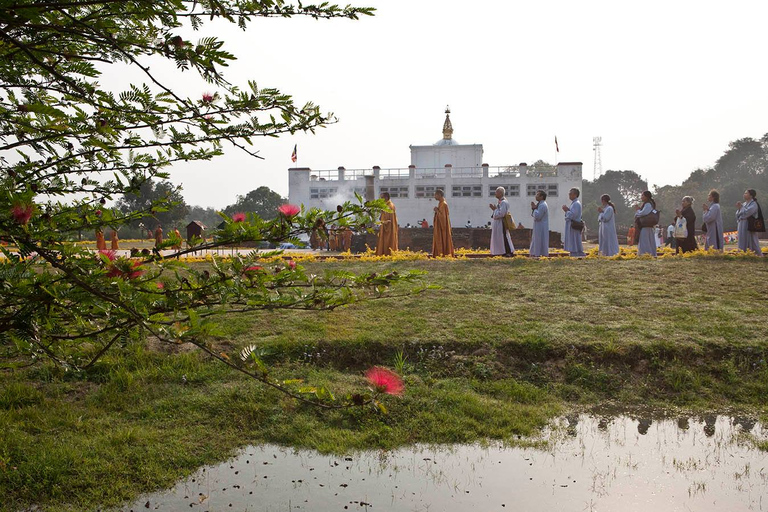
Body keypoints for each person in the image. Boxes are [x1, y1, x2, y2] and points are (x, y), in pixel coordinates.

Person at [489, 186, 515, 257]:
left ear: (500, 193)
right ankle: (502, 251)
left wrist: (494, 210)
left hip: (502, 223)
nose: (495, 193)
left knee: (504, 237)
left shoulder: (504, 202)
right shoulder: (500, 202)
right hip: (498, 223)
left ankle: (508, 252)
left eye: (496, 192)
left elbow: (501, 214)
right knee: (500, 238)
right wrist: (495, 210)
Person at [735, 189, 762, 256]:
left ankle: (754, 254)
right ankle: (742, 253)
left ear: (751, 195)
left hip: (748, 224)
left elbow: (747, 213)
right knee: (742, 239)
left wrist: (741, 208)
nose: (744, 194)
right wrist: (739, 209)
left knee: (751, 239)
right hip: (741, 224)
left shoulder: (754, 204)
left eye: (746, 193)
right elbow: (738, 214)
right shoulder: (744, 204)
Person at [561, 187, 585, 257]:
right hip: (572, 225)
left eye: (570, 194)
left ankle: (576, 253)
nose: (569, 195)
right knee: (574, 239)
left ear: (575, 195)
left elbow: (573, 215)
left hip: (574, 225)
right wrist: (568, 210)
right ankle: (575, 252)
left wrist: (566, 211)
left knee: (574, 239)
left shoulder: (576, 204)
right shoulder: (574, 203)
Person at [634, 191, 657, 257]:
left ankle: (645, 253)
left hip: (646, 225)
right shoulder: (648, 204)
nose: (641, 197)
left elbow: (643, 213)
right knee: (648, 240)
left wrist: (637, 210)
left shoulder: (648, 204)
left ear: (646, 196)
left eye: (642, 195)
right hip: (647, 226)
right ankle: (649, 253)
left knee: (645, 240)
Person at [432, 189, 454, 257]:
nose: (434, 196)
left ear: (439, 195)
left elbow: (443, 218)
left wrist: (437, 211)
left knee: (443, 240)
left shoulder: (444, 204)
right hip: (439, 227)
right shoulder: (440, 204)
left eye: (435, 195)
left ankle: (443, 254)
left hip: (442, 228)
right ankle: (438, 254)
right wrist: (437, 211)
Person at [529, 190, 549, 257]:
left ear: (542, 197)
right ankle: (535, 253)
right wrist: (534, 208)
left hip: (541, 226)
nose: (536, 196)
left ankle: (538, 254)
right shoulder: (540, 204)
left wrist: (534, 209)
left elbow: (538, 216)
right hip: (538, 226)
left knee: (539, 240)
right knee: (536, 239)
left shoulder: (543, 205)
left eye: (537, 195)